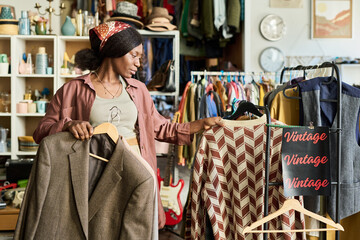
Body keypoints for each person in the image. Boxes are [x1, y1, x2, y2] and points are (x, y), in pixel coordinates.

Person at [33, 21, 222, 229]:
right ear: (115, 51)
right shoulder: (73, 89)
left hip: (136, 170)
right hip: (94, 174)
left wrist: (200, 124)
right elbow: (41, 131)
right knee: (98, 228)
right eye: (134, 55)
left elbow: (161, 128)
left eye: (140, 57)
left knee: (135, 229)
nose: (139, 63)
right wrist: (68, 124)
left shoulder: (138, 90)